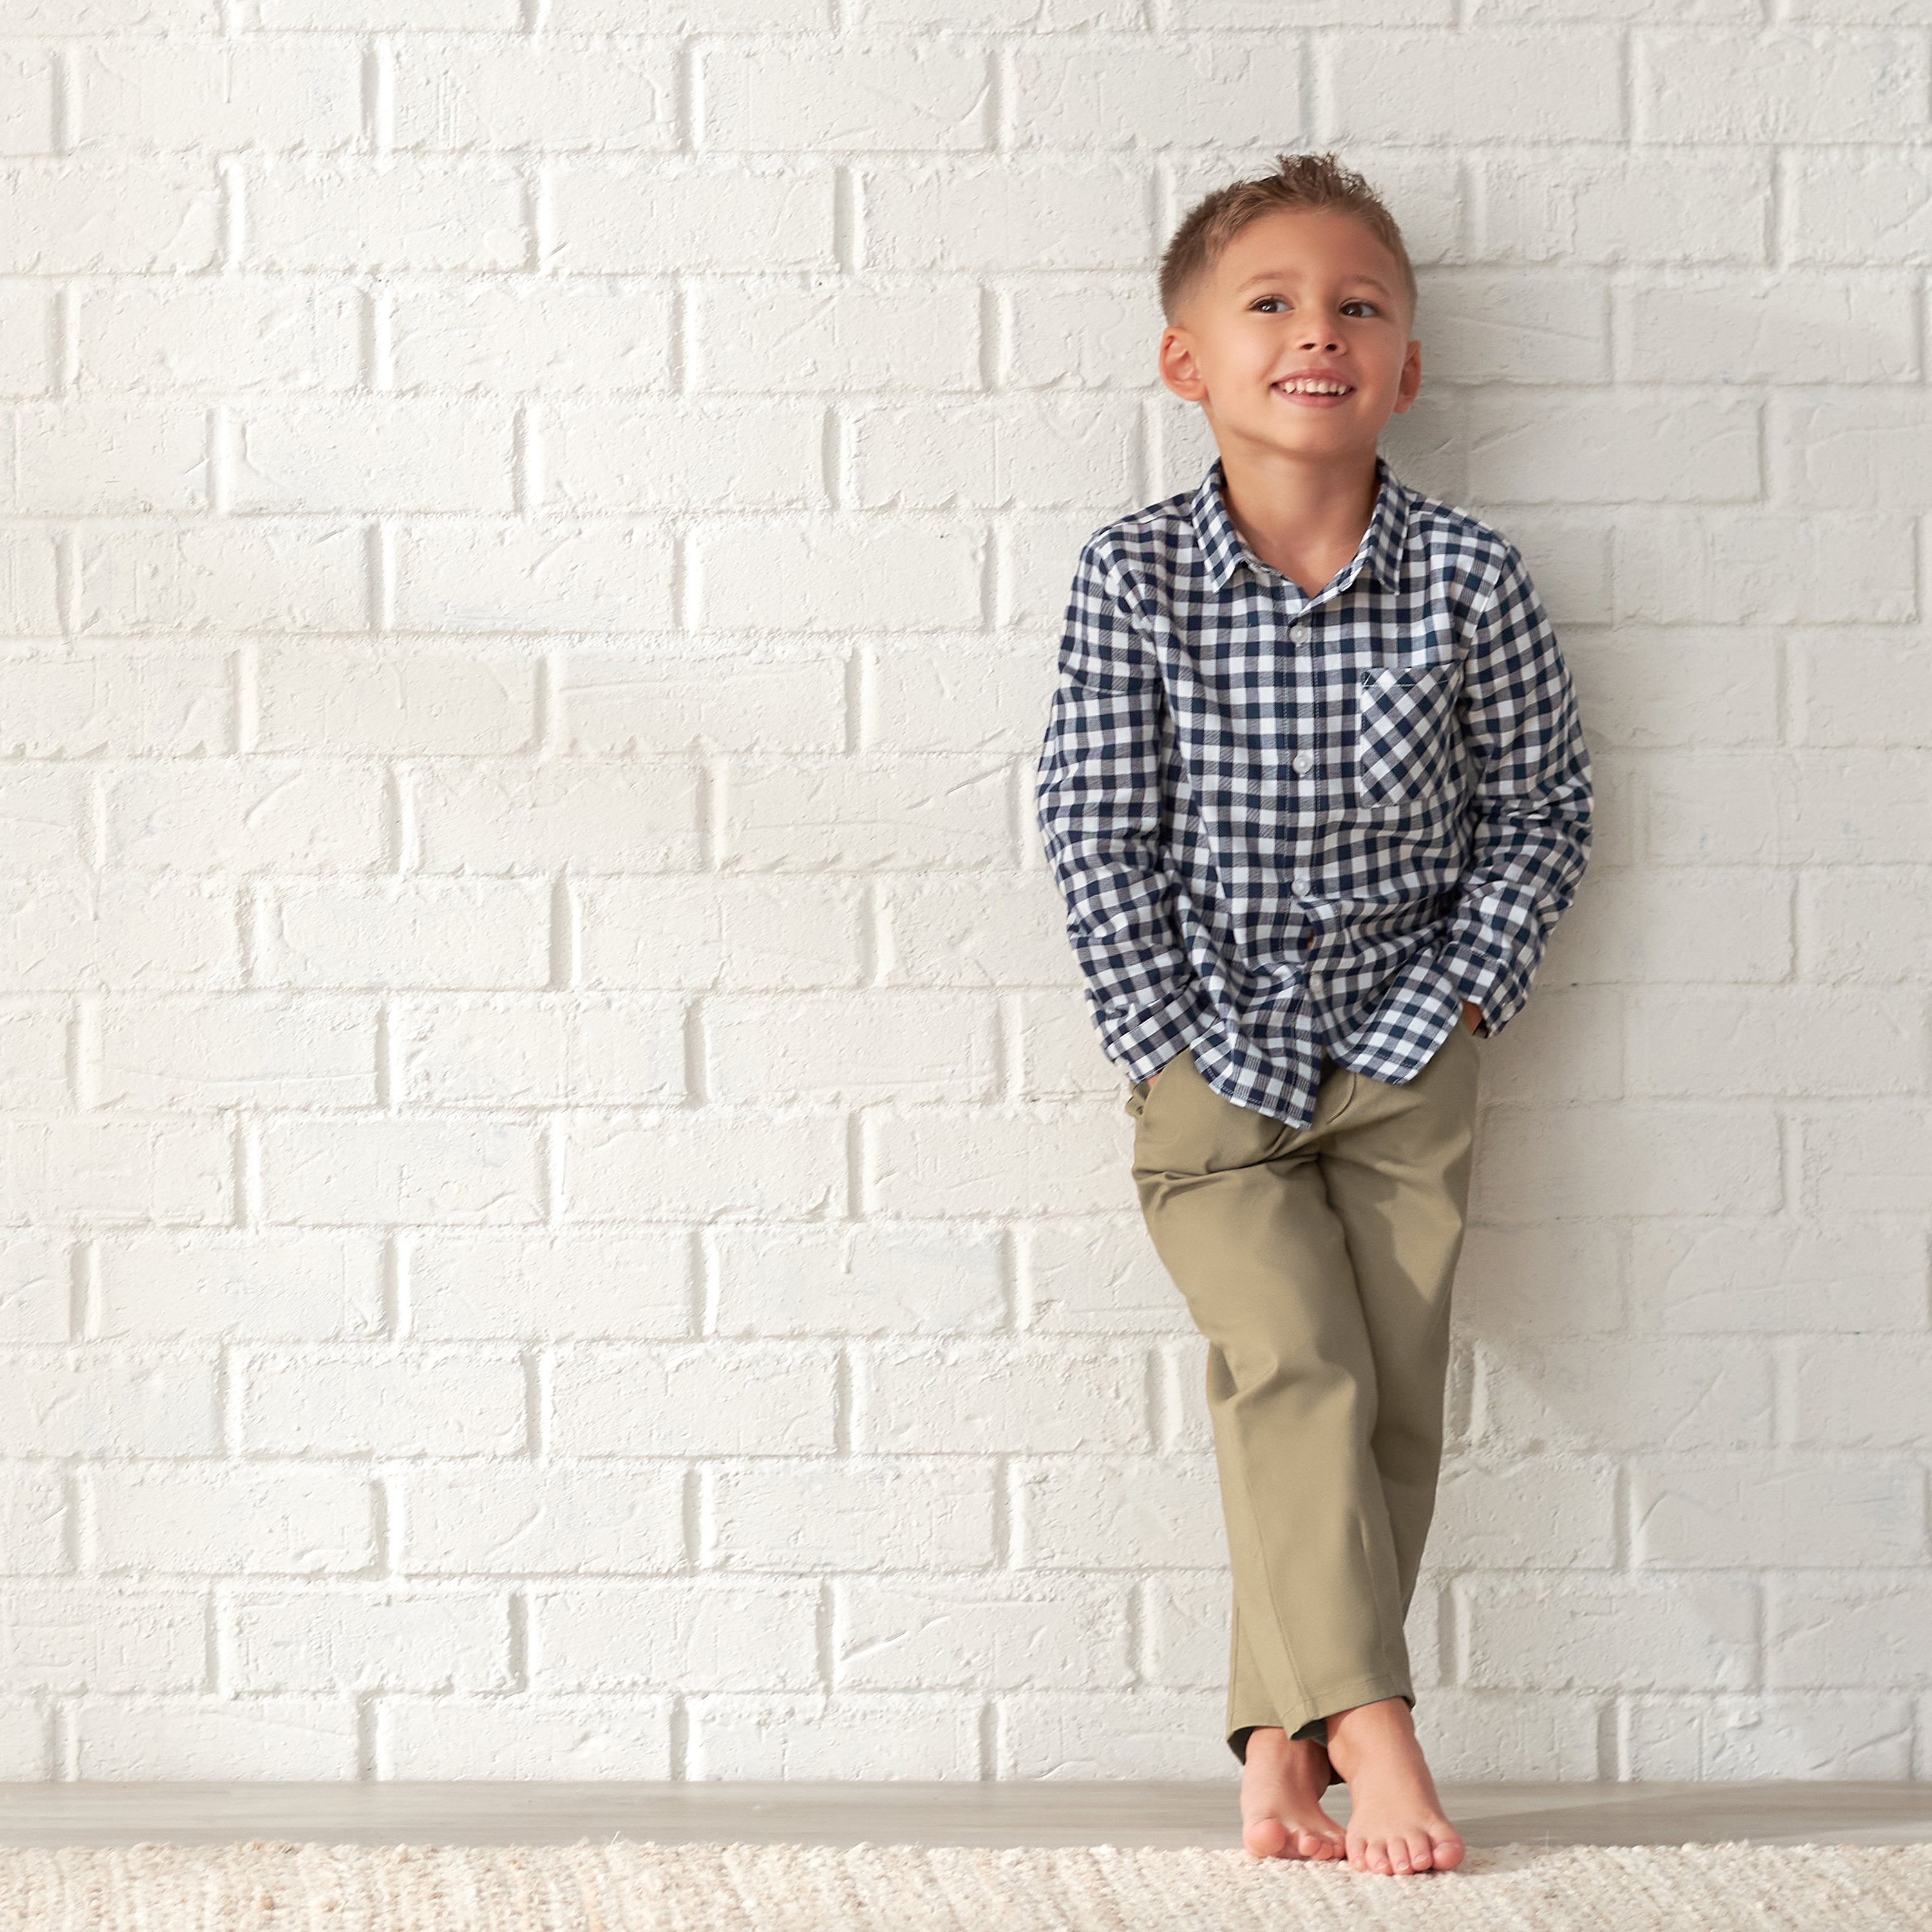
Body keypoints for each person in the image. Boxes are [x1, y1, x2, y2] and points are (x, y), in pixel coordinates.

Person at [1033, 152, 1593, 1878]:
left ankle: (1278, 1749)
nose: (1318, 332)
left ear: (1409, 367)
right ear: (1186, 361)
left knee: (1390, 1407)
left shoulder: (1472, 580)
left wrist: (1467, 993)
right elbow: (1094, 826)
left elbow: (1543, 810)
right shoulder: (1136, 577)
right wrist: (1164, 1040)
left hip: (1411, 1050)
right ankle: (1379, 1733)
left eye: (1359, 306)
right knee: (1297, 1366)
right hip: (1218, 1060)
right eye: (1270, 303)